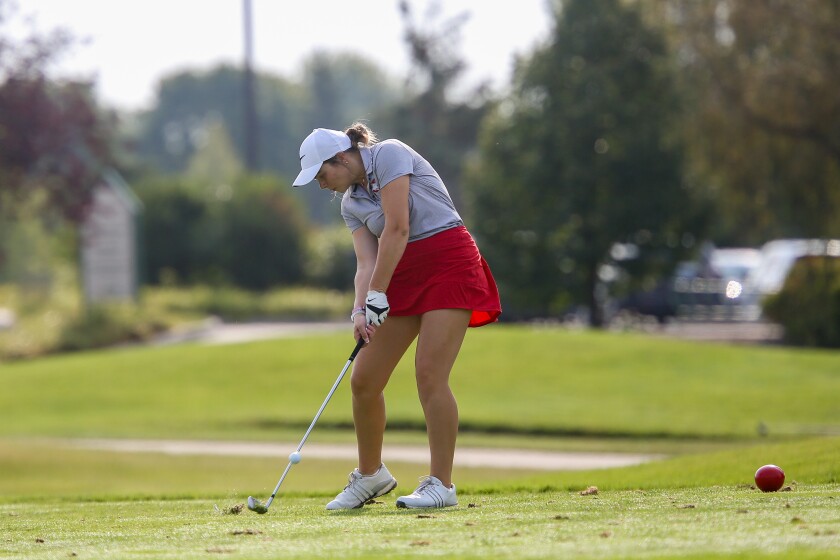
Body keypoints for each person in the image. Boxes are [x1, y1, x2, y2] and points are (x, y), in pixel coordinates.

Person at [292, 123, 501, 510]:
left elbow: (399, 227)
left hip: (447, 262)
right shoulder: (350, 204)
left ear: (341, 157)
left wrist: (377, 294)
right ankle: (371, 475)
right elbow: (366, 262)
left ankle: (442, 485)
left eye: (323, 175)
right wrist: (360, 309)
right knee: (364, 380)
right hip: (398, 274)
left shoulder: (389, 153)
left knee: (429, 373)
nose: (322, 185)